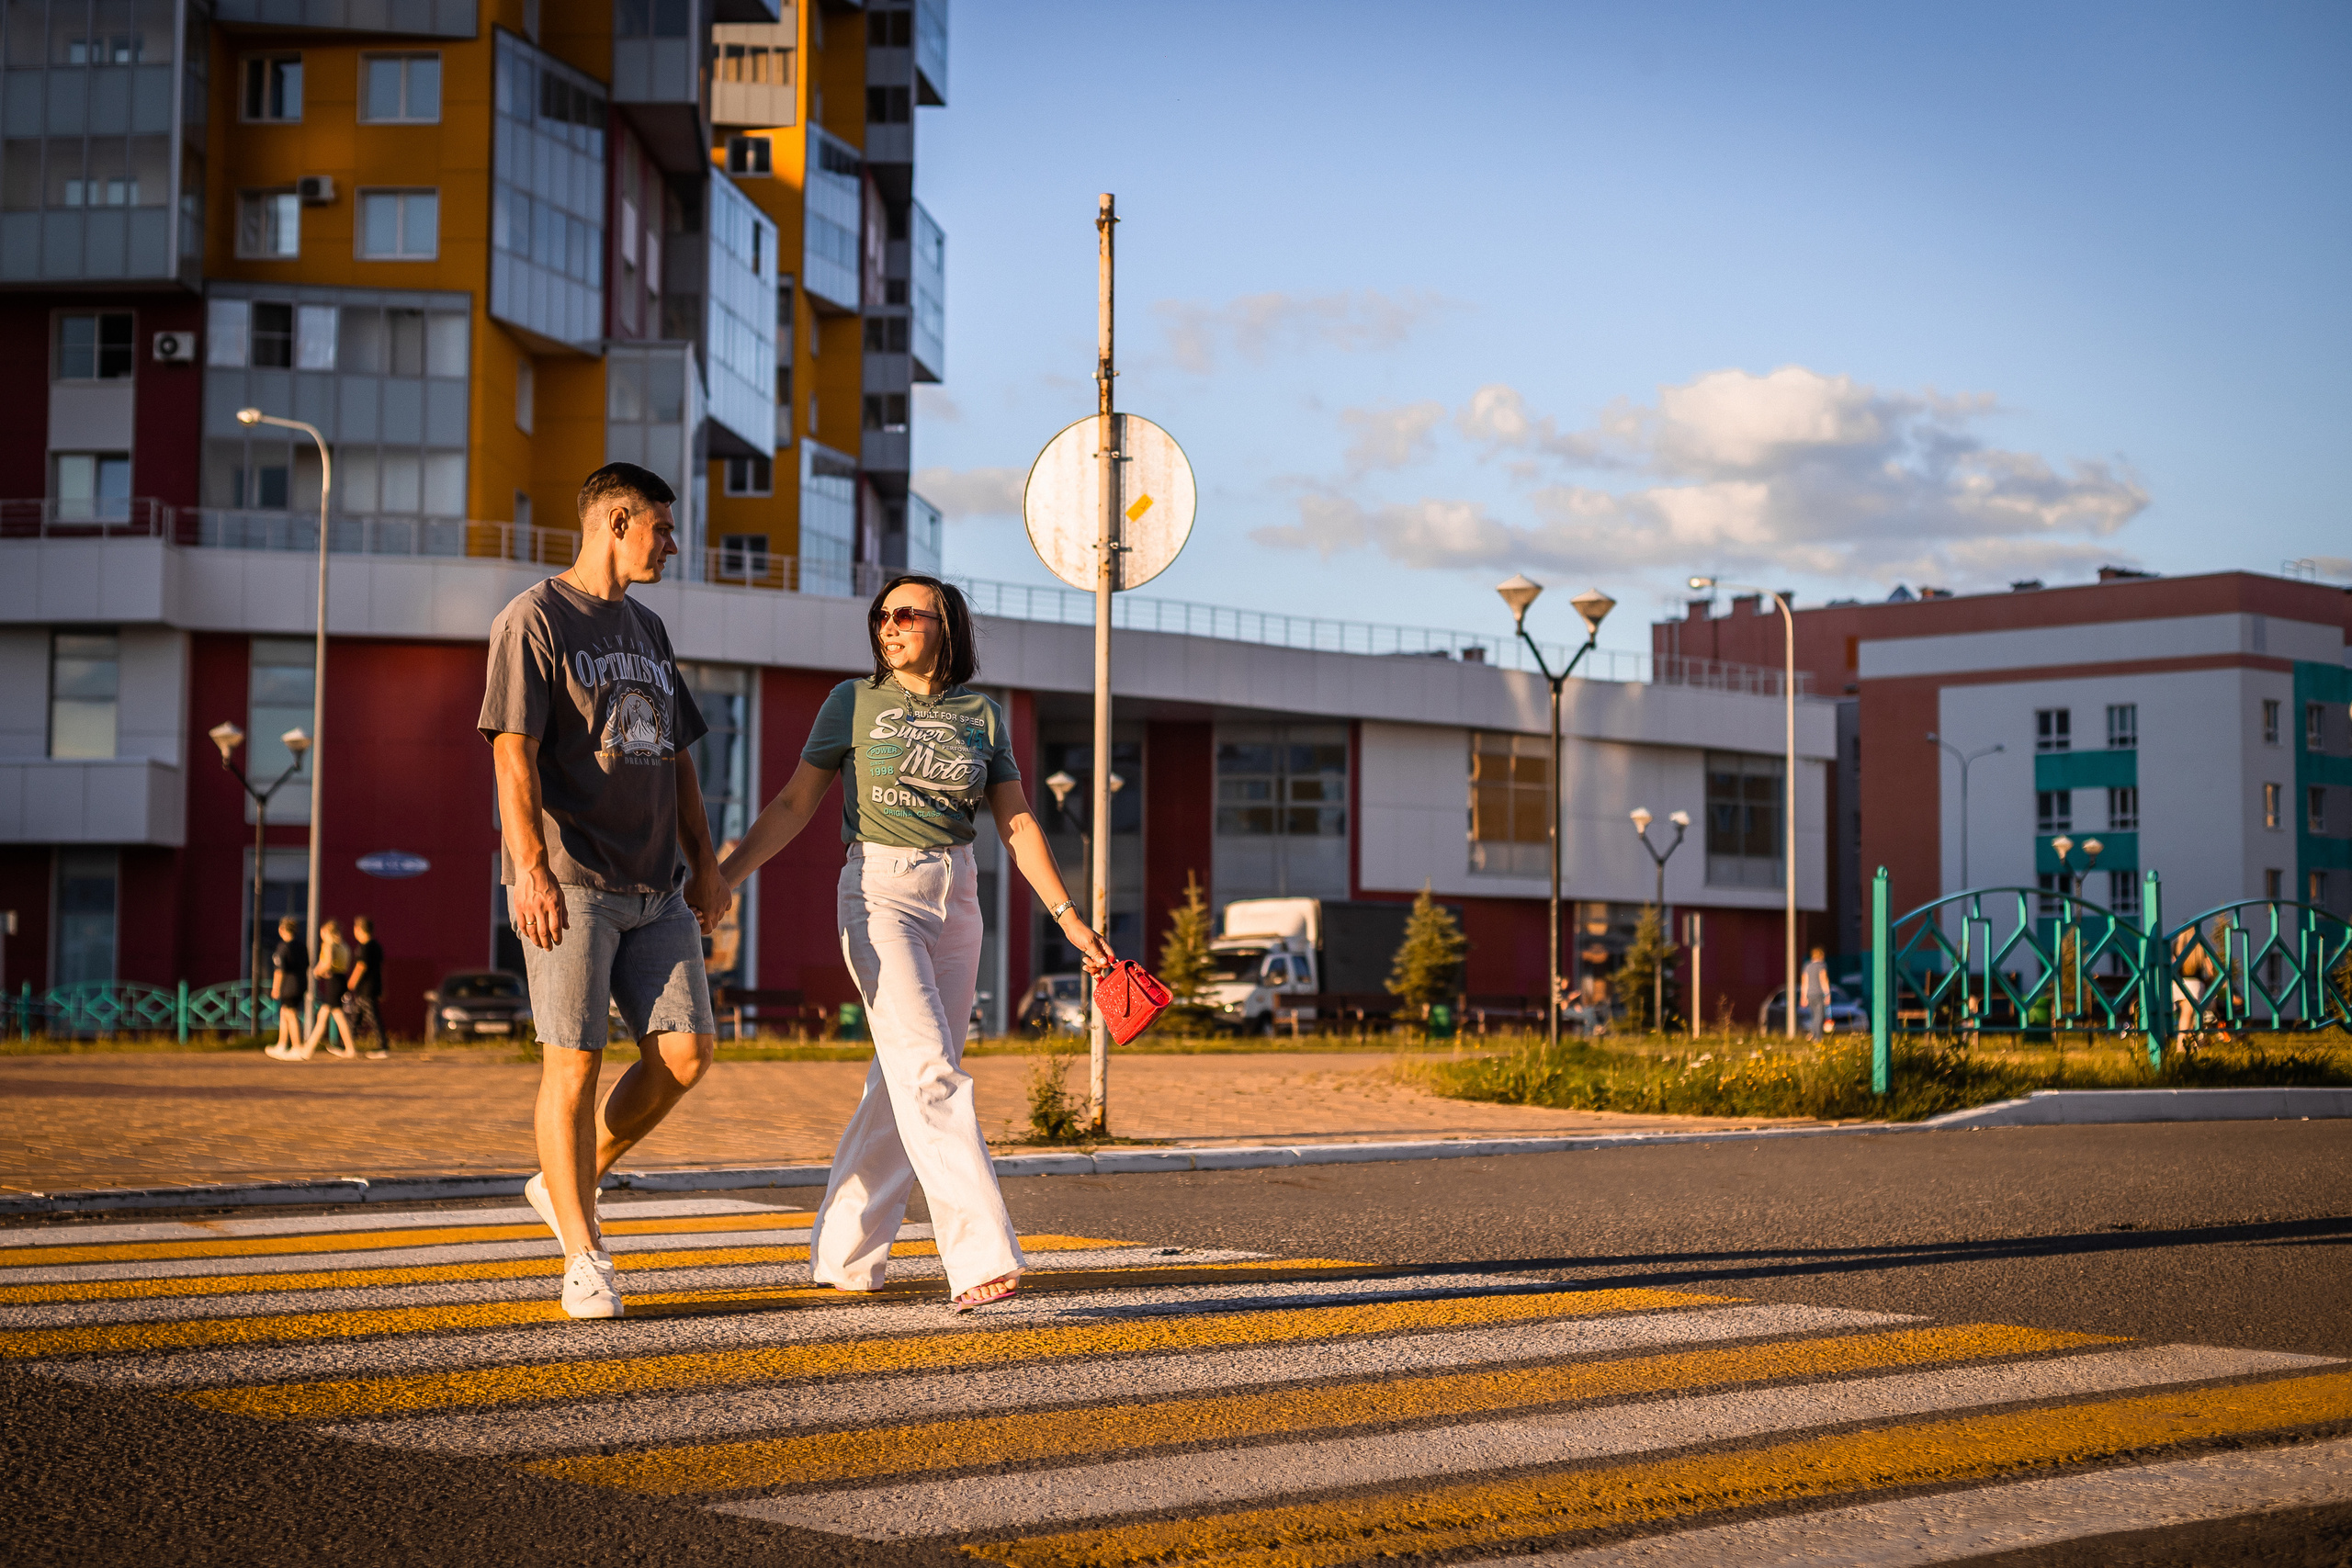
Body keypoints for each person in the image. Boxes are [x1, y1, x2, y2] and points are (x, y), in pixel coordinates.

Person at [719, 573, 1112, 1314]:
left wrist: (1068, 917)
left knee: (902, 1079)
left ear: (946, 627)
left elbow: (1018, 824)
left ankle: (843, 1252)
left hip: (957, 895)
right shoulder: (852, 702)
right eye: (882, 615)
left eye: (907, 613)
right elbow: (794, 801)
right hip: (879, 890)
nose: (889, 625)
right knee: (930, 1070)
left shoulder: (982, 715)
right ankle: (979, 1252)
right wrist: (725, 878)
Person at [480, 461, 727, 1321]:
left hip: (657, 884)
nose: (671, 541)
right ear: (617, 521)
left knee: (687, 1054)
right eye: (661, 526)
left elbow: (681, 757)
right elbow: (512, 753)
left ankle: (564, 1181)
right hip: (573, 879)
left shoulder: (650, 628)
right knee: (574, 1064)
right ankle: (583, 1255)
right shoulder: (534, 619)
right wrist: (529, 869)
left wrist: (710, 864)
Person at [272, 919, 359, 1060]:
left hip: (333, 983)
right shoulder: (344, 946)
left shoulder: (328, 945)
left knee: (333, 1015)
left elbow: (327, 962)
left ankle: (308, 1050)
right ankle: (309, 1049)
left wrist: (318, 971)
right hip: (341, 980)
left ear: (326, 932)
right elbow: (344, 964)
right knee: (327, 1015)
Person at [346, 915, 389, 1058]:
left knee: (373, 1018)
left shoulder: (365, 947)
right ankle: (347, 1043)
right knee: (356, 1018)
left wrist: (351, 982)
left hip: (366, 988)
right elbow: (381, 969)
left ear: (358, 929)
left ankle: (383, 1046)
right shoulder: (377, 946)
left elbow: (361, 966)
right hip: (372, 987)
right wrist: (382, 988)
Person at [267, 916, 303, 1055]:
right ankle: (282, 1044)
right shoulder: (301, 945)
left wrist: (275, 988)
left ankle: (297, 1047)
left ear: (281, 929)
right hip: (300, 983)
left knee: (291, 1013)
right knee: (285, 1012)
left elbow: (279, 970)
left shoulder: (283, 947)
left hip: (289, 986)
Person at [1801, 945, 1833, 1040]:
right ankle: (1817, 1038)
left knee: (1813, 1016)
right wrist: (1827, 994)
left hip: (1810, 994)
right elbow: (1823, 980)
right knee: (1819, 1016)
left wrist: (1803, 997)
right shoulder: (1821, 966)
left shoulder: (1807, 966)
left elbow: (1804, 982)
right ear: (1821, 955)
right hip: (1819, 994)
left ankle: (1813, 1034)